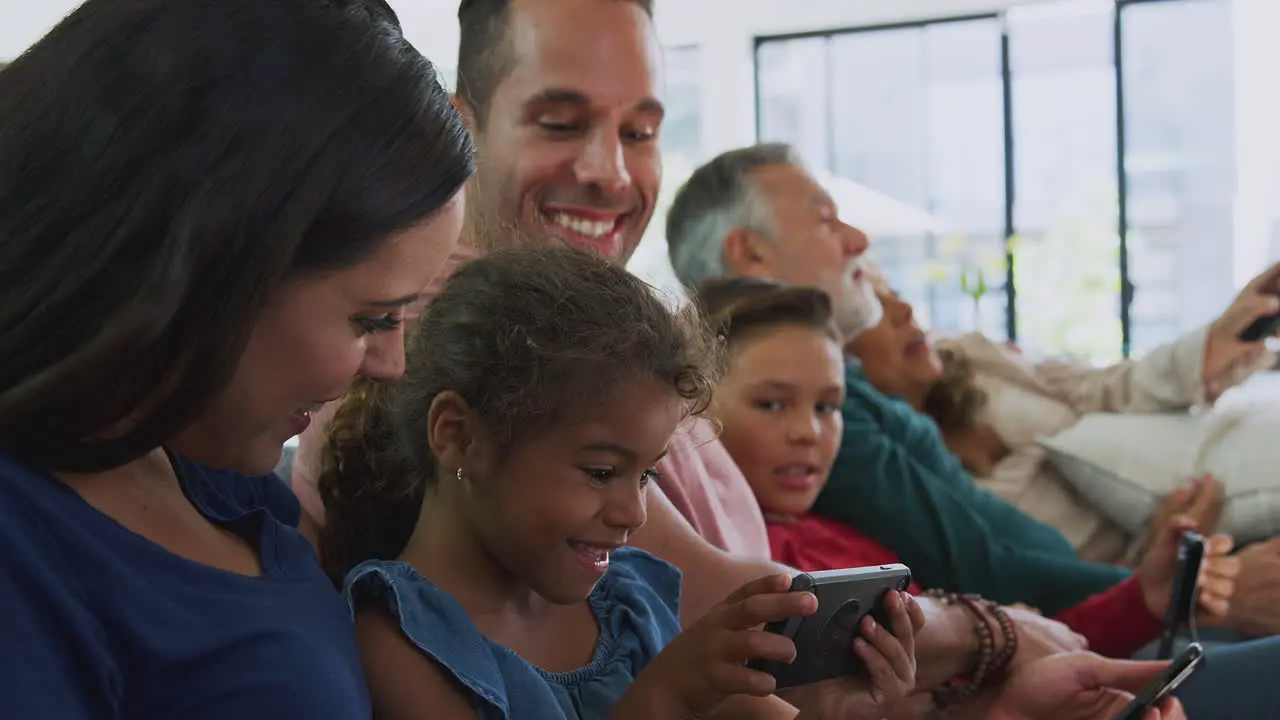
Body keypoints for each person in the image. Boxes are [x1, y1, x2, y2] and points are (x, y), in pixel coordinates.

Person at [292, 1, 1191, 715]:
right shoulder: (420, 365)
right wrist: (1003, 638)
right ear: (467, 125)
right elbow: (738, 602)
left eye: (641, 131)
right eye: (561, 122)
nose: (610, 172)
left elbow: (755, 652)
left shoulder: (625, 398)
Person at [0, 0, 474, 716]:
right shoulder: (26, 552)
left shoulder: (203, 467)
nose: (390, 364)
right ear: (212, 261)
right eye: (372, 318)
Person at [316, 246, 921, 719]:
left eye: (649, 474)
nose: (633, 512)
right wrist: (662, 701)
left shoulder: (627, 605)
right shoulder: (399, 640)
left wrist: (831, 711)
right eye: (602, 472)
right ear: (460, 436)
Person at [695, 277, 1237, 663]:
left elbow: (1014, 649)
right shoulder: (756, 573)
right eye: (771, 405)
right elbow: (990, 662)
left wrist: (1144, 599)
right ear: (692, 412)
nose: (809, 432)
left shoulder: (841, 539)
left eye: (828, 406)